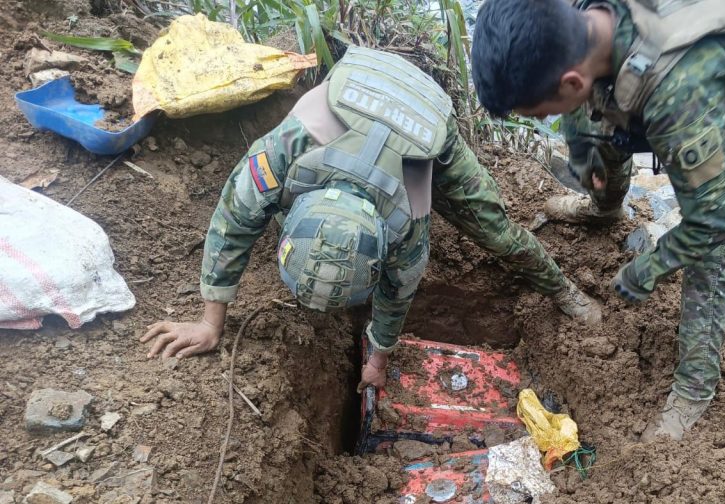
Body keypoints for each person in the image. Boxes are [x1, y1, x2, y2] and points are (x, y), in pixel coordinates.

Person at [141, 46, 601, 392]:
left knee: (498, 235)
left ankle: (564, 288)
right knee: (244, 209)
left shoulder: (407, 221)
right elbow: (231, 223)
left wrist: (378, 361)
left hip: (423, 121)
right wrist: (210, 323)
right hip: (359, 92)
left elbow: (398, 291)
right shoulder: (279, 158)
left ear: (386, 244)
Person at [471, 0, 725, 439]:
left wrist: (648, 267)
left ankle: (694, 388)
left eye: (543, 112)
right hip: (685, 61)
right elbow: (589, 108)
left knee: (715, 246)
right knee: (590, 128)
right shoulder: (577, 21)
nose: (548, 119)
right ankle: (604, 210)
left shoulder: (677, 94)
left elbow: (712, 221)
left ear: (572, 79)